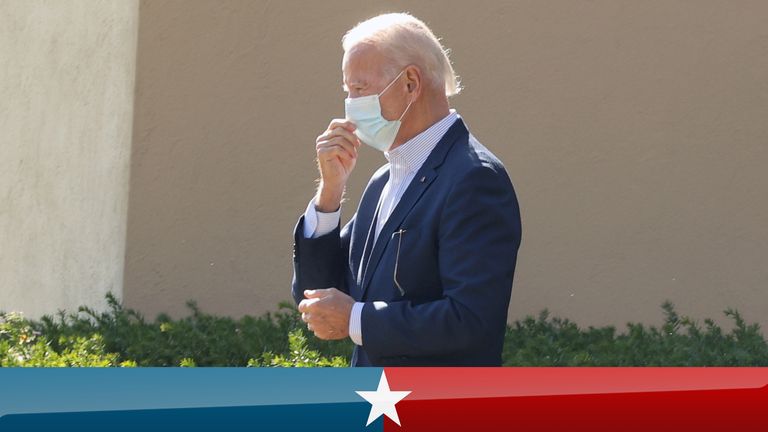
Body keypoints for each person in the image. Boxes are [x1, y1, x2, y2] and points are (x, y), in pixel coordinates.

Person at [291, 13, 522, 366]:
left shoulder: (474, 178)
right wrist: (330, 193)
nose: (350, 106)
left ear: (410, 83)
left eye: (359, 89)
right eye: (347, 91)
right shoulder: (383, 181)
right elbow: (319, 296)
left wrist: (356, 320)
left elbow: (471, 319)